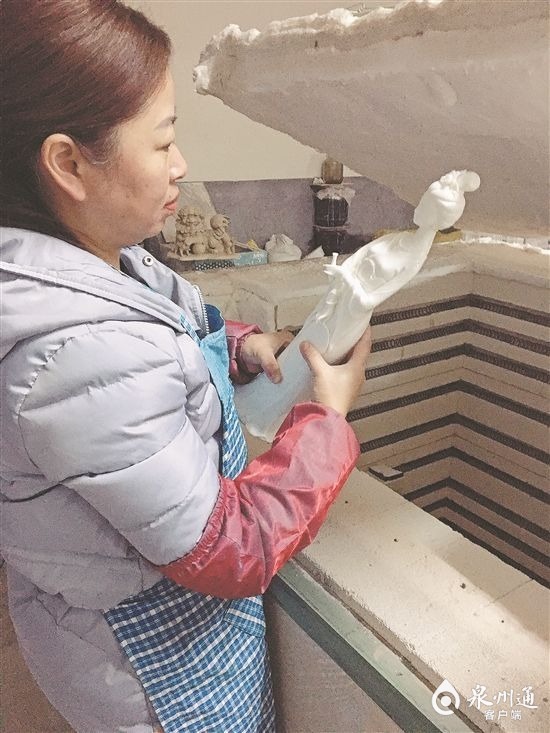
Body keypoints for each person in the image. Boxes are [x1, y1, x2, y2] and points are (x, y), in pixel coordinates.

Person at [0, 2, 372, 732]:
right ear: (68, 164)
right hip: (152, 670)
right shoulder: (75, 351)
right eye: (164, 141)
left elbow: (163, 331)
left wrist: (238, 347)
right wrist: (326, 422)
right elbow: (227, 547)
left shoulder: (91, 259)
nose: (181, 165)